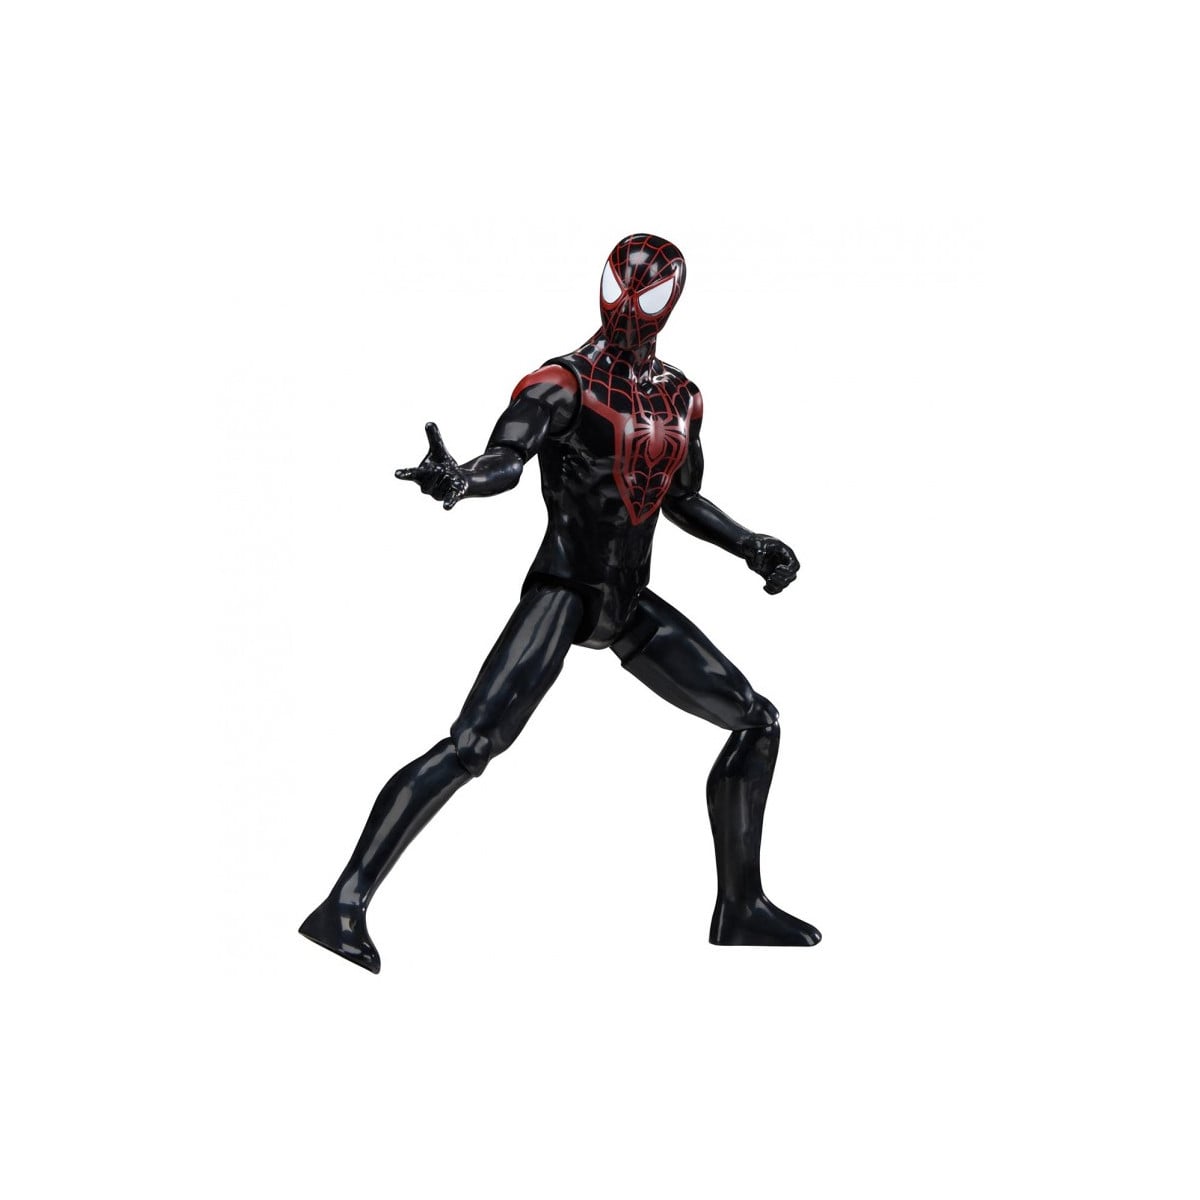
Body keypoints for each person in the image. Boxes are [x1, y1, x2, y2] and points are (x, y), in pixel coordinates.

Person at [300, 233, 820, 972]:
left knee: (756, 721)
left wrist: (748, 544)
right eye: (622, 284)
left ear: (673, 300)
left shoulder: (681, 397)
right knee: (471, 745)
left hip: (628, 600)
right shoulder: (563, 384)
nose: (630, 304)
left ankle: (740, 906)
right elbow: (508, 458)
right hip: (565, 588)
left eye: (649, 289)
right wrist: (461, 480)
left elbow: (681, 497)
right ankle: (343, 905)